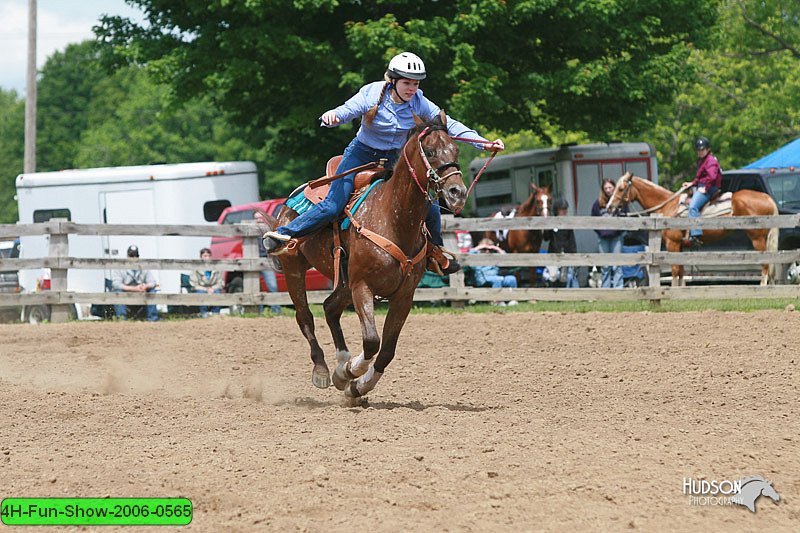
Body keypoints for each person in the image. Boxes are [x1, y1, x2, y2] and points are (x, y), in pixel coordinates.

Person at [261, 51, 505, 274]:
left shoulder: (419, 101)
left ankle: (435, 252)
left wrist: (483, 143)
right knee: (334, 206)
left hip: (394, 160)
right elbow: (349, 109)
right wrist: (333, 117)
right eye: (407, 83)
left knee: (428, 204)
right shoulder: (372, 93)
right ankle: (283, 234)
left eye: (416, 83)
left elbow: (449, 124)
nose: (412, 88)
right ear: (393, 81)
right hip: (361, 154)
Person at [682, 136, 722, 247]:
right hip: (704, 185)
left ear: (708, 149)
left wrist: (705, 188)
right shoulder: (703, 161)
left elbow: (712, 177)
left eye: (702, 149)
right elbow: (701, 177)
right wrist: (692, 183)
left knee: (693, 207)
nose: (700, 151)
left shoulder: (710, 161)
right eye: (698, 150)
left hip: (709, 188)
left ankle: (695, 235)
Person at [591, 178, 627, 289]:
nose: (608, 190)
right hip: (603, 238)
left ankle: (618, 289)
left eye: (610, 187)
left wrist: (619, 231)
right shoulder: (598, 203)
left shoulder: (620, 202)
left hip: (616, 238)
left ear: (614, 188)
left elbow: (626, 218)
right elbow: (592, 219)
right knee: (605, 266)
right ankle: (606, 289)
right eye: (605, 188)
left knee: (617, 265)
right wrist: (601, 232)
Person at [111, 245, 159, 321]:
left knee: (152, 291)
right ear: (127, 256)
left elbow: (153, 282)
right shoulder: (120, 267)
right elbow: (116, 284)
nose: (133, 258)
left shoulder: (143, 267)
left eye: (136, 255)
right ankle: (121, 319)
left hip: (140, 294)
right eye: (131, 255)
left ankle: (152, 318)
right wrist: (134, 289)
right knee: (117, 292)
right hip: (126, 294)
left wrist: (145, 287)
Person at [469, 238, 518, 306]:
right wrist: (478, 247)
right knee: (497, 279)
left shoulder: (495, 256)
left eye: (490, 250)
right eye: (484, 249)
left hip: (497, 277)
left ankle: (513, 299)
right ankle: (497, 300)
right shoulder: (475, 256)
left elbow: (507, 258)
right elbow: (468, 255)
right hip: (482, 278)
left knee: (511, 278)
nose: (487, 251)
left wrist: (497, 249)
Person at [544, 197, 579, 288]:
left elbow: (572, 240)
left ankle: (565, 294)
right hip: (553, 253)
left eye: (565, 209)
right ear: (557, 210)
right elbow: (546, 238)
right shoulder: (552, 222)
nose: (565, 212)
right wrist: (547, 225)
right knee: (553, 275)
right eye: (562, 210)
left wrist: (574, 254)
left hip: (565, 253)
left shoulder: (568, 224)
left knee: (565, 276)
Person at [190, 247, 223, 318]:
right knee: (201, 293)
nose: (207, 258)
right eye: (205, 256)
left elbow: (220, 282)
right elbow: (194, 284)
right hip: (201, 288)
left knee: (217, 293)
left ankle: (215, 314)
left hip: (213, 288)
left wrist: (212, 289)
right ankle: (203, 313)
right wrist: (205, 289)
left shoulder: (217, 268)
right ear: (201, 257)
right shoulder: (195, 269)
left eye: (209, 256)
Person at [258, 238, 282, 315]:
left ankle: (276, 310)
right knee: (255, 287)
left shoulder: (265, 227)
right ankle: (258, 311)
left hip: (266, 259)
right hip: (253, 258)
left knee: (272, 286)